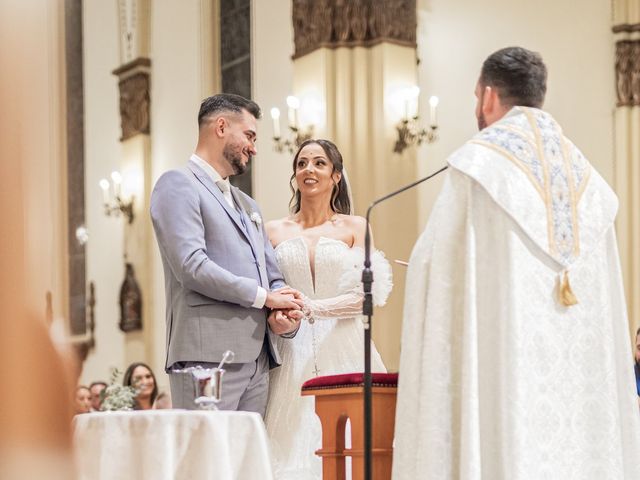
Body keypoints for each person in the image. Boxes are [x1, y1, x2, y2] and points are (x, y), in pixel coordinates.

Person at [393, 46, 640, 479]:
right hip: (574, 394)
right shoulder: (591, 184)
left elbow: (436, 263)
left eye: (475, 97)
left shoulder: (479, 166)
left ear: (488, 96)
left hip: (502, 372)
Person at [151, 93, 304, 415]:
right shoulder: (178, 184)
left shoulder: (249, 205)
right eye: (249, 135)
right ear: (221, 126)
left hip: (257, 358)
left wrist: (281, 306)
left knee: (245, 462)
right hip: (206, 358)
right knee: (205, 459)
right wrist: (264, 297)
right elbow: (191, 266)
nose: (254, 147)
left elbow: (271, 272)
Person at [264, 139, 392, 479]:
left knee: (352, 448)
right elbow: (266, 290)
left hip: (344, 346)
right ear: (295, 174)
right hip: (291, 349)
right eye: (302, 163)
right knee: (289, 443)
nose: (309, 169)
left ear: (336, 175)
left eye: (319, 163)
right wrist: (275, 317)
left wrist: (312, 308)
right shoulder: (273, 230)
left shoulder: (355, 227)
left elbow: (366, 295)